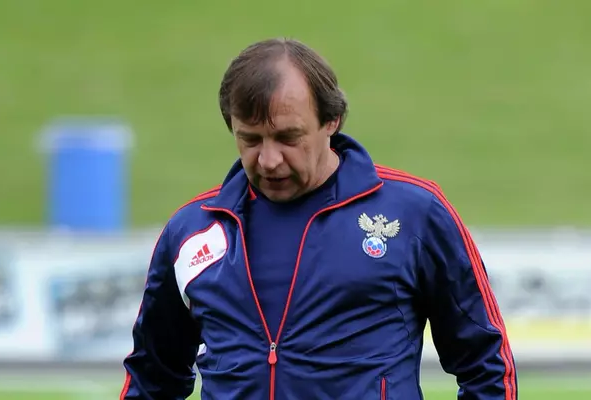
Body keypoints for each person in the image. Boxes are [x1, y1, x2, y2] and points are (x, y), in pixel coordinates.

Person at [120, 38, 518, 400]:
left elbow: (486, 365)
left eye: (288, 138)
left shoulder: (415, 214)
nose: (269, 159)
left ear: (332, 121)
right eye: (250, 139)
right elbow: (152, 379)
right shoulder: (191, 231)